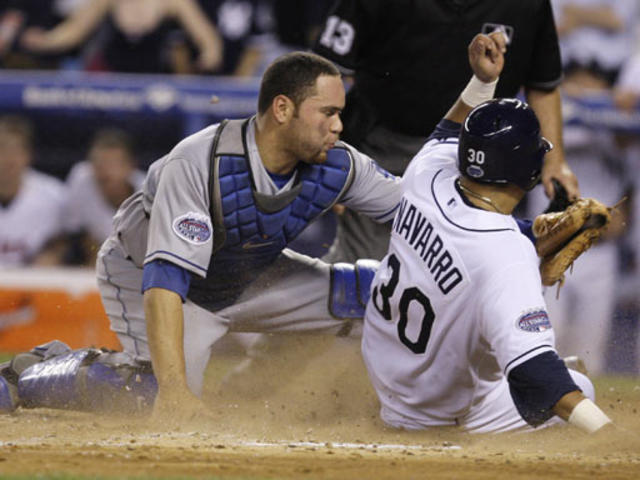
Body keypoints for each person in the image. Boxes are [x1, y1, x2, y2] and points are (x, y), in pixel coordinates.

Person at [0, 51, 402, 423]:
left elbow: (423, 214)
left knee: (378, 297)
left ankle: (388, 403)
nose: (338, 125)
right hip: (155, 280)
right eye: (327, 112)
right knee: (148, 394)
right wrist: (174, 391)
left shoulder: (339, 164)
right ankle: (32, 373)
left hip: (249, 275)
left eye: (339, 113)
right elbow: (165, 283)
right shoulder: (201, 163)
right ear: (283, 108)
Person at [362, 33, 612, 434]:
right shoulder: (507, 256)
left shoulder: (427, 170)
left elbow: (449, 128)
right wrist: (608, 435)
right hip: (436, 414)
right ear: (527, 169)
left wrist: (482, 81)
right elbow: (537, 376)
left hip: (383, 374)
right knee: (576, 386)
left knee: (512, 343)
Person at [314, 0, 580, 263]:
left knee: (467, 269)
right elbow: (324, 71)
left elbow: (542, 82)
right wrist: (333, 158)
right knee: (366, 272)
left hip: (483, 162)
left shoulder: (528, 5)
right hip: (386, 147)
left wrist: (555, 161)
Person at [19, 0, 223, 74]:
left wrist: (209, 54)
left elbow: (208, 39)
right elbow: (73, 32)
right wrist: (44, 41)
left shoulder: (174, 2)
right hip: (112, 79)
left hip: (153, 79)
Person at [63, 128, 145, 265]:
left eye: (112, 164)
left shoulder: (148, 193)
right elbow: (75, 231)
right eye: (99, 163)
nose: (105, 171)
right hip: (94, 258)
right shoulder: (80, 179)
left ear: (130, 167)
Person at [0, 115, 66, 267]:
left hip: (32, 284)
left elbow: (65, 240)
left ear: (28, 155)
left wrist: (53, 254)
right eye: (2, 148)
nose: (9, 159)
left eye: (16, 150)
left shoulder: (53, 195)